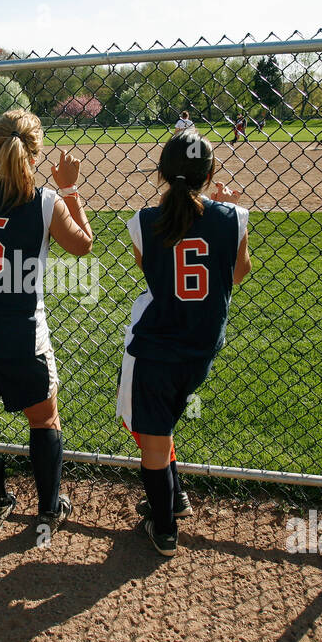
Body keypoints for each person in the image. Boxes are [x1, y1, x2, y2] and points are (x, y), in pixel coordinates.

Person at [0, 110, 93, 532]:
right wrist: (69, 188)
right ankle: (48, 508)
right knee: (44, 419)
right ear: (36, 150)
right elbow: (83, 246)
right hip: (21, 334)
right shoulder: (46, 201)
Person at [118, 132, 251, 556]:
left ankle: (165, 528)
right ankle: (172, 500)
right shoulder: (234, 217)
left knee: (151, 438)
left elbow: (153, 271)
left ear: (160, 173)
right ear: (210, 174)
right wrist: (224, 206)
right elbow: (238, 273)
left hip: (155, 349)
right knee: (163, 426)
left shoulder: (143, 221)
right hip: (200, 350)